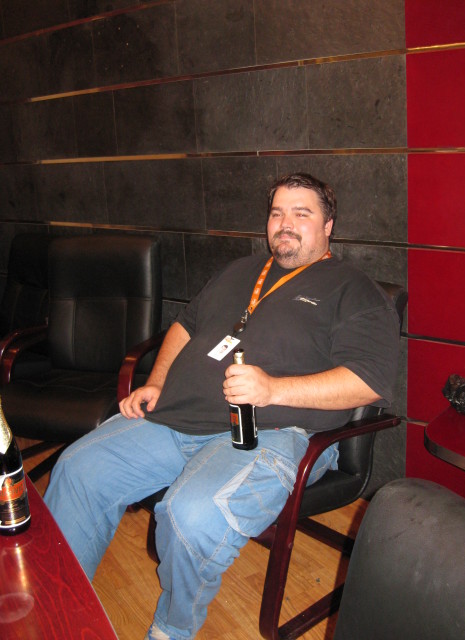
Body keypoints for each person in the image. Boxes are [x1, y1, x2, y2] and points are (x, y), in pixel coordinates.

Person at [44, 173, 400, 640]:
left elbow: (368, 382)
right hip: (176, 417)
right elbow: (184, 326)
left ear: (328, 225)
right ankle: (54, 611)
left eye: (301, 213)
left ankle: (172, 628)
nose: (285, 223)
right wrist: (157, 381)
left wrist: (273, 390)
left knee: (190, 516)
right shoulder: (239, 270)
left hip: (271, 433)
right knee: (77, 469)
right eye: (277, 213)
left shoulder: (354, 289)